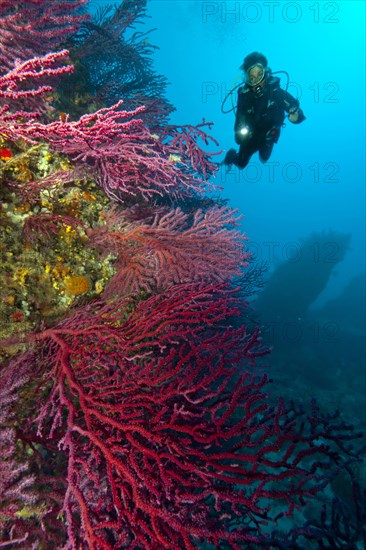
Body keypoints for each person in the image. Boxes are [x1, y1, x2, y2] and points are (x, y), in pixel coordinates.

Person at [223, 52, 305, 169]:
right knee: (241, 164)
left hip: (269, 136)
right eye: (251, 78)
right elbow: (239, 119)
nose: (257, 81)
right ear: (246, 79)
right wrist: (240, 134)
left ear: (266, 73)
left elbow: (293, 106)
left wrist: (296, 114)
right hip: (250, 137)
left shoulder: (275, 92)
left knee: (264, 158)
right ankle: (231, 156)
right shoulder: (244, 95)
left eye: (260, 74)